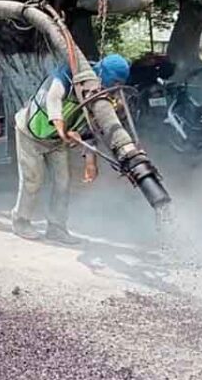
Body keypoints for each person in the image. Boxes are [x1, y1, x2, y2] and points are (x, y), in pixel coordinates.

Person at [10, 54, 131, 244]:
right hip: (30, 133)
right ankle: (21, 221)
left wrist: (90, 162)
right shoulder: (67, 75)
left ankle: (56, 228)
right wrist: (63, 131)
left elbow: (89, 128)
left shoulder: (98, 94)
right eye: (113, 82)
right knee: (33, 180)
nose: (113, 88)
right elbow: (53, 99)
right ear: (102, 74)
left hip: (57, 141)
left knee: (63, 182)